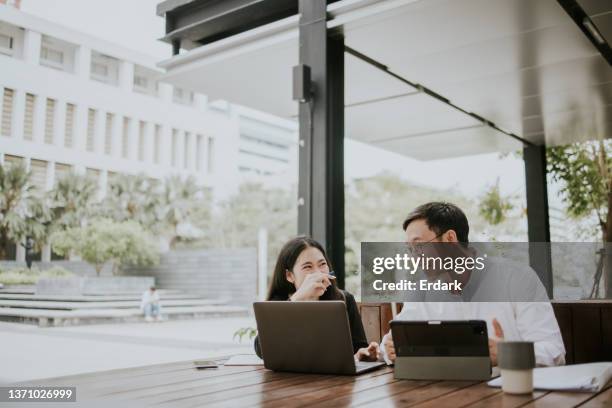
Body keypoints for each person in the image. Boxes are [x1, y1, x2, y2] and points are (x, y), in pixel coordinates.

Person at [381, 202, 565, 367]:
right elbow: (393, 341)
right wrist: (388, 350)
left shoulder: (517, 278)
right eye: (409, 249)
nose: (413, 256)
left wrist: (507, 354)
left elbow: (554, 352)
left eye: (419, 246)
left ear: (450, 239)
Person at [254, 236, 379, 362]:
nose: (318, 272)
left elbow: (359, 349)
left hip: (336, 379)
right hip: (288, 379)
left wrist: (363, 355)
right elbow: (262, 350)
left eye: (322, 264)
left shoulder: (344, 299)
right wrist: (297, 299)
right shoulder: (277, 305)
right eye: (308, 267)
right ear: (289, 275)